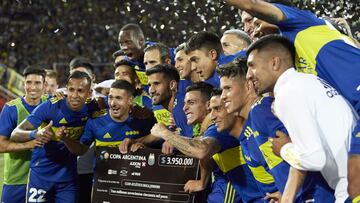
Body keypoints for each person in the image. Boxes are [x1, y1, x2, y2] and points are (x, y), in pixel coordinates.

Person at [222, 0, 360, 198]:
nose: (249, 28)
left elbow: (312, 157)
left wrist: (285, 148)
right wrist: (288, 196)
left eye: (252, 20)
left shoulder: (301, 23)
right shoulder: (297, 78)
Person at [246, 34, 356, 202]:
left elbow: (314, 158)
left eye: (252, 66)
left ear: (274, 62)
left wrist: (284, 149)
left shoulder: (287, 93)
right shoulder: (308, 81)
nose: (248, 75)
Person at [218, 57, 335, 202]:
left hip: (315, 196)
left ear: (248, 85)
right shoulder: (254, 119)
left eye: (227, 88)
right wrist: (283, 192)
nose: (222, 97)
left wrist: (289, 196)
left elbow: (303, 151)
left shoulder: (260, 110)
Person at [150, 89, 264, 202]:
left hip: (234, 190)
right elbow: (207, 154)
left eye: (191, 103)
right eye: (184, 103)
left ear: (207, 105)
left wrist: (165, 133)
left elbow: (202, 150)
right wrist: (202, 181)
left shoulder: (218, 129)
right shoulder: (207, 128)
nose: (184, 108)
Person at [11, 71, 95, 203]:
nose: (75, 95)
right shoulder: (51, 106)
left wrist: (65, 139)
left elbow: (81, 150)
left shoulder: (92, 108)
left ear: (89, 93)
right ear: (66, 89)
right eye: (71, 90)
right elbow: (15, 134)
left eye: (80, 91)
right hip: (41, 176)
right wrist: (35, 134)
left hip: (68, 180)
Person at [58, 79, 155, 157]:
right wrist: (65, 139)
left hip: (131, 180)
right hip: (103, 180)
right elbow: (81, 150)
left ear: (130, 100)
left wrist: (143, 147)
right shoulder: (95, 122)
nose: (112, 103)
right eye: (111, 97)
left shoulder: (143, 120)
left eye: (118, 98)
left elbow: (155, 147)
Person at [0, 67, 48, 203]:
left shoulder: (50, 103)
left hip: (43, 178)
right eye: (29, 82)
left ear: (44, 85)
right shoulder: (11, 109)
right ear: (23, 84)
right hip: (16, 179)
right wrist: (30, 144)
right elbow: (1, 145)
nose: (32, 87)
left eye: (37, 83)